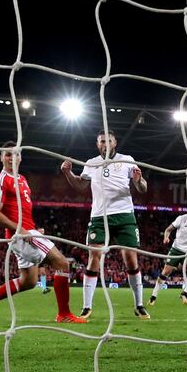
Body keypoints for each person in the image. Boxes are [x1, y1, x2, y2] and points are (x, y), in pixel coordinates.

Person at [0, 142, 86, 323]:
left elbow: (20, 211)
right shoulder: (1, 181)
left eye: (15, 154)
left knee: (28, 281)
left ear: (21, 157)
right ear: (1, 157)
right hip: (20, 235)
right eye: (7, 154)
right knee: (62, 263)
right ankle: (64, 314)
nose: (12, 158)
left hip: (26, 232)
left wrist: (34, 228)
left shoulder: (22, 179)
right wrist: (22, 230)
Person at [61, 130, 150, 320]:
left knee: (131, 260)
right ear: (97, 144)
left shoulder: (127, 160)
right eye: (102, 141)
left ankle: (139, 305)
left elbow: (142, 188)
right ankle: (86, 307)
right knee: (94, 257)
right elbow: (79, 186)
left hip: (125, 215)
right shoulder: (91, 163)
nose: (105, 144)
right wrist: (68, 173)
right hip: (99, 217)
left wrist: (138, 181)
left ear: (115, 142)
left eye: (109, 141)